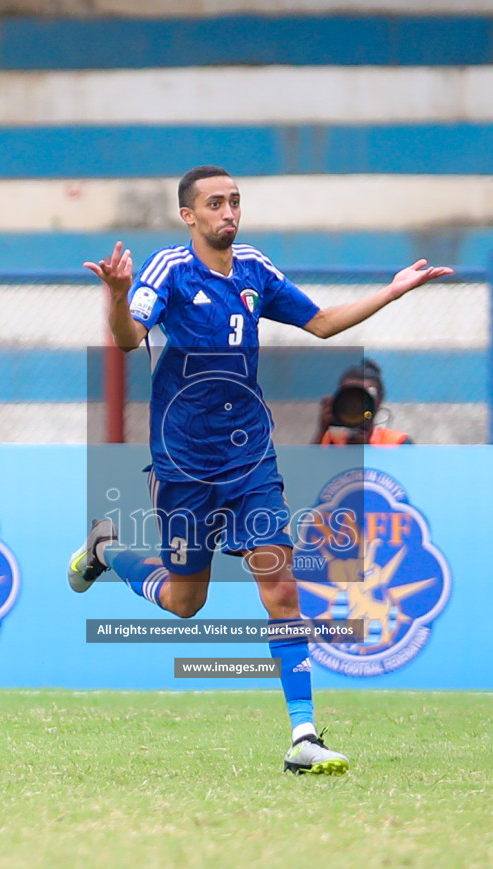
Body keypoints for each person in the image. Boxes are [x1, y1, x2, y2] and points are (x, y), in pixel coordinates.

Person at [69, 165, 452, 774]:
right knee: (186, 600)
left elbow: (321, 323)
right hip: (184, 463)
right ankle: (107, 550)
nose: (229, 212)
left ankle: (304, 735)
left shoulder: (253, 269)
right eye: (215, 204)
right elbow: (126, 338)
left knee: (279, 583)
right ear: (188, 216)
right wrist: (116, 296)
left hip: (249, 458)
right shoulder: (168, 270)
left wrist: (392, 291)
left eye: (235, 202)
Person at [314, 357, 413, 446]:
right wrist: (322, 429)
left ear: (380, 399)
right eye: (351, 396)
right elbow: (307, 465)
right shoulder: (329, 442)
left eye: (367, 395)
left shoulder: (396, 443)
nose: (357, 404)